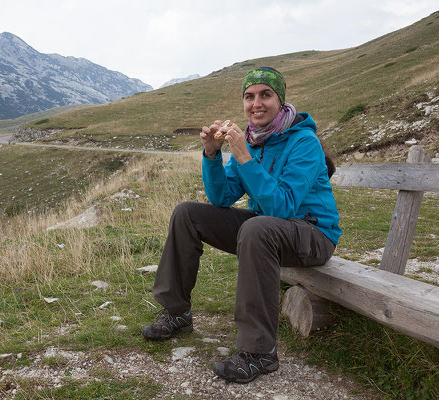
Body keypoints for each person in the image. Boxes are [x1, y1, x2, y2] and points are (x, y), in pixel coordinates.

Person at [141, 67, 342, 384]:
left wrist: (244, 157)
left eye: (266, 94)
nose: (256, 103)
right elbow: (221, 197)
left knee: (257, 227)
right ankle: (177, 312)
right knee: (187, 213)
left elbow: (283, 207)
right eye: (249, 96)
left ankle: (259, 352)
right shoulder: (250, 141)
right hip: (269, 229)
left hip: (313, 235)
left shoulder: (304, 142)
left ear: (280, 100)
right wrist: (212, 153)